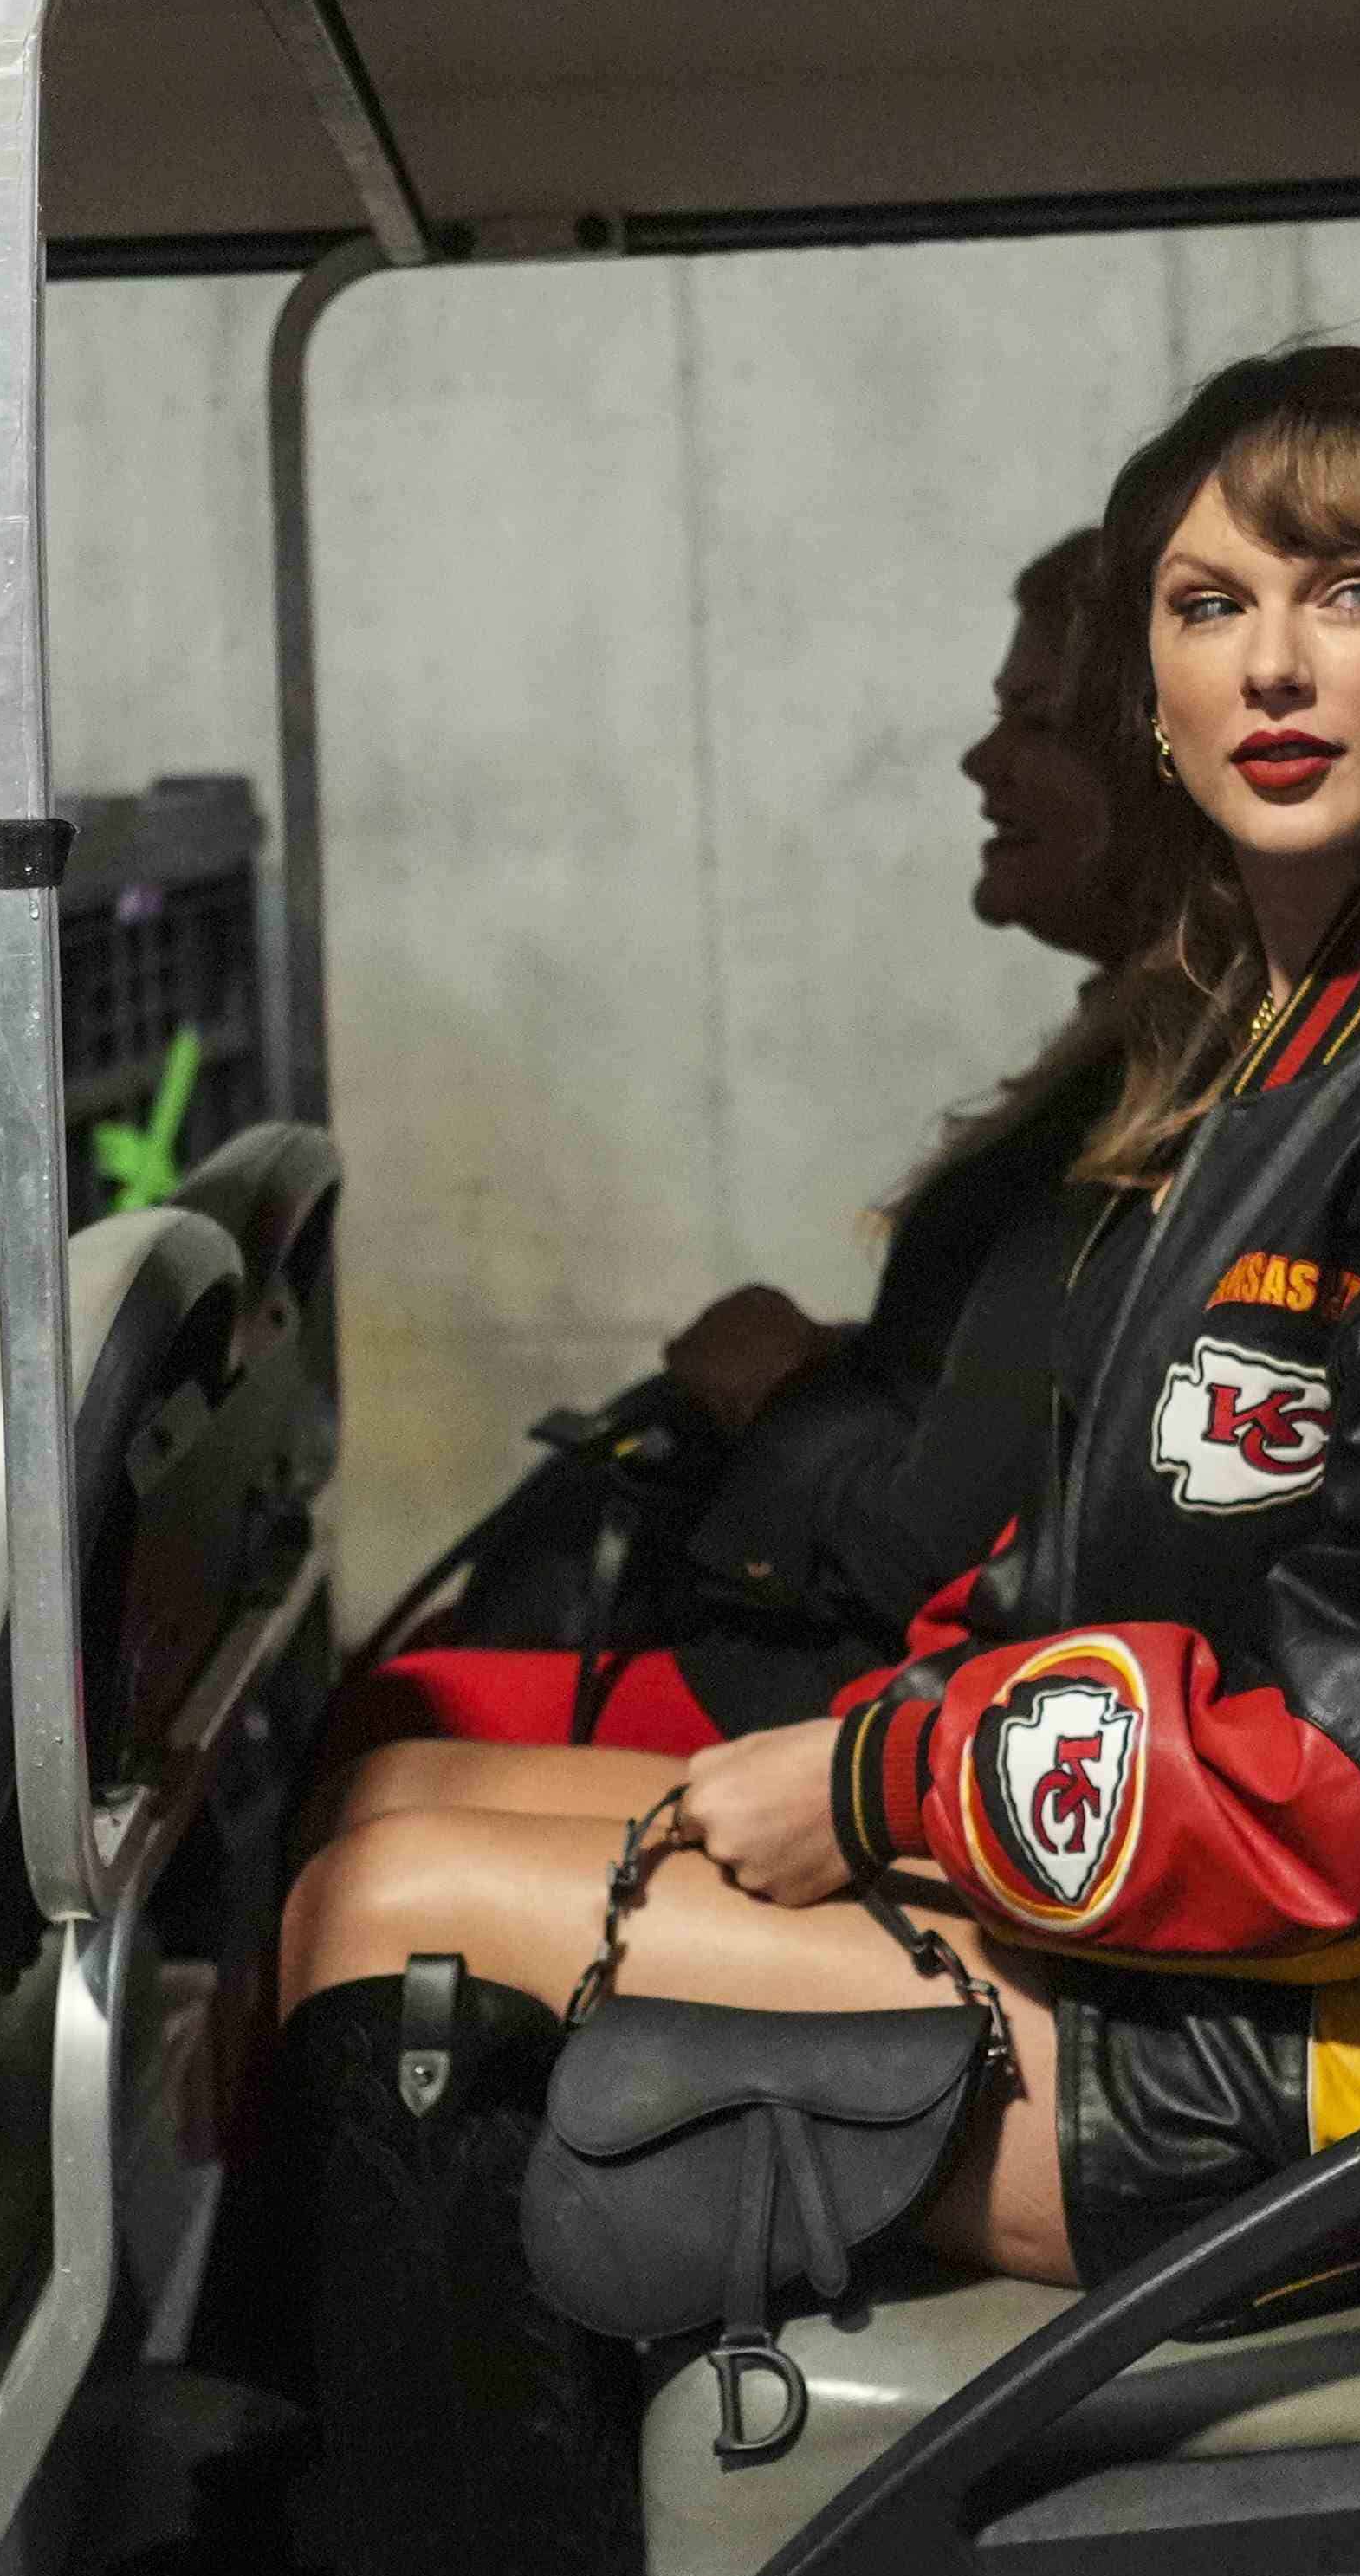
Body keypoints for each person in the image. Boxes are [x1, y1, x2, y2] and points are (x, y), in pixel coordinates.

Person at [261, 346, 1360, 2576]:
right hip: (1180, 1937)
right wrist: (890, 1726)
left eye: (1353, 591)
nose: (1278, 666)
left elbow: (1357, 1790)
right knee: (382, 1821)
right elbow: (1102, 1567)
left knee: (391, 1931)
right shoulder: (1328, 1019)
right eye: (1213, 605)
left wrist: (889, 1782)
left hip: (1337, 2058)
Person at [351, 527, 1141, 1754]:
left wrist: (780, 1386)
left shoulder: (1158, 1098)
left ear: (1153, 769)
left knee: (390, 1736)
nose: (979, 759)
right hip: (840, 1663)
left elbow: (942, 1550)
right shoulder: (1134, 1048)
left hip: (873, 1709)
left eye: (1035, 721)